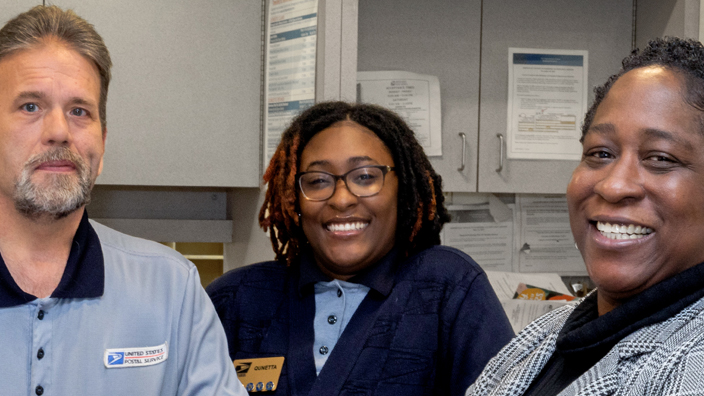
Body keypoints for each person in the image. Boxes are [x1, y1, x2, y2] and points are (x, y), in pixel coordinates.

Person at [0, 6, 246, 395]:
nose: (59, 131)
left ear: (102, 142)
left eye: (79, 111)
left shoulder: (171, 288)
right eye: (31, 106)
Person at [207, 101, 514, 396]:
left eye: (366, 177)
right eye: (317, 181)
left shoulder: (446, 288)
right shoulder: (234, 300)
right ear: (293, 198)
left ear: (402, 190)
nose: (341, 199)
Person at [466, 36, 704, 396]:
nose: (613, 185)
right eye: (601, 153)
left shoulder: (692, 364)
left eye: (660, 157)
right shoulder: (543, 337)